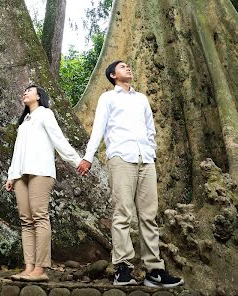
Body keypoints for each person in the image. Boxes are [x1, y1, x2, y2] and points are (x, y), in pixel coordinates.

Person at [76, 60, 184, 289]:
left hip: (145, 159)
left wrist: (151, 153)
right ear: (113, 75)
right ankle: (122, 268)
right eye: (123, 67)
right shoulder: (108, 98)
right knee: (122, 213)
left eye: (128, 66)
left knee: (148, 216)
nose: (128, 68)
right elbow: (98, 129)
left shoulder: (141, 99)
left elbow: (150, 129)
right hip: (121, 158)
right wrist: (88, 157)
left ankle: (154, 270)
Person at [5, 84, 81, 282]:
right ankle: (28, 267)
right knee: (26, 221)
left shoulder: (46, 114)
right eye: (24, 90)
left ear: (39, 96)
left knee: (39, 217)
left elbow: (59, 140)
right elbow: (17, 152)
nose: (25, 92)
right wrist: (11, 175)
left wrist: (77, 161)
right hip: (21, 175)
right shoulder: (24, 123)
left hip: (41, 171)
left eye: (30, 90)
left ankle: (40, 268)